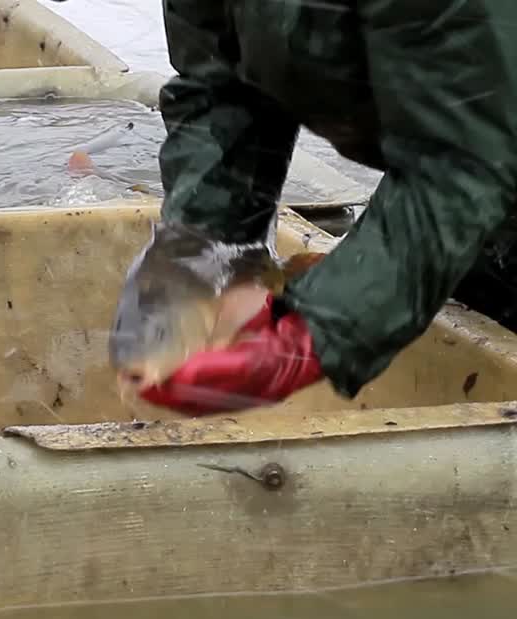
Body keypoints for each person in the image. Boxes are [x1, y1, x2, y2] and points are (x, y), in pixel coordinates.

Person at [137, 1, 517, 416]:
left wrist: (317, 332)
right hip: (476, 203)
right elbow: (221, 87)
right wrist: (207, 255)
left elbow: (461, 160)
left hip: (476, 167)